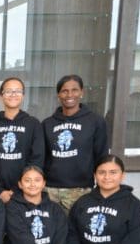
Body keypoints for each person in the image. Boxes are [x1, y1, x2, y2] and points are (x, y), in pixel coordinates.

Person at [42, 74, 109, 214]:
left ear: (82, 92)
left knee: (76, 233)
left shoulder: (95, 122)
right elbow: (42, 157)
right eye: (64, 91)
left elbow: (101, 156)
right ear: (58, 95)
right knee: (52, 233)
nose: (69, 94)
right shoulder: (47, 124)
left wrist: (102, 187)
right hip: (50, 190)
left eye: (74, 90)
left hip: (80, 190)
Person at [0, 77, 45, 204]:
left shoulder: (33, 124)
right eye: (8, 91)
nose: (13, 95)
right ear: (1, 95)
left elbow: (37, 159)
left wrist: (21, 187)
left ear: (23, 95)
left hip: (24, 193)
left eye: (17, 91)